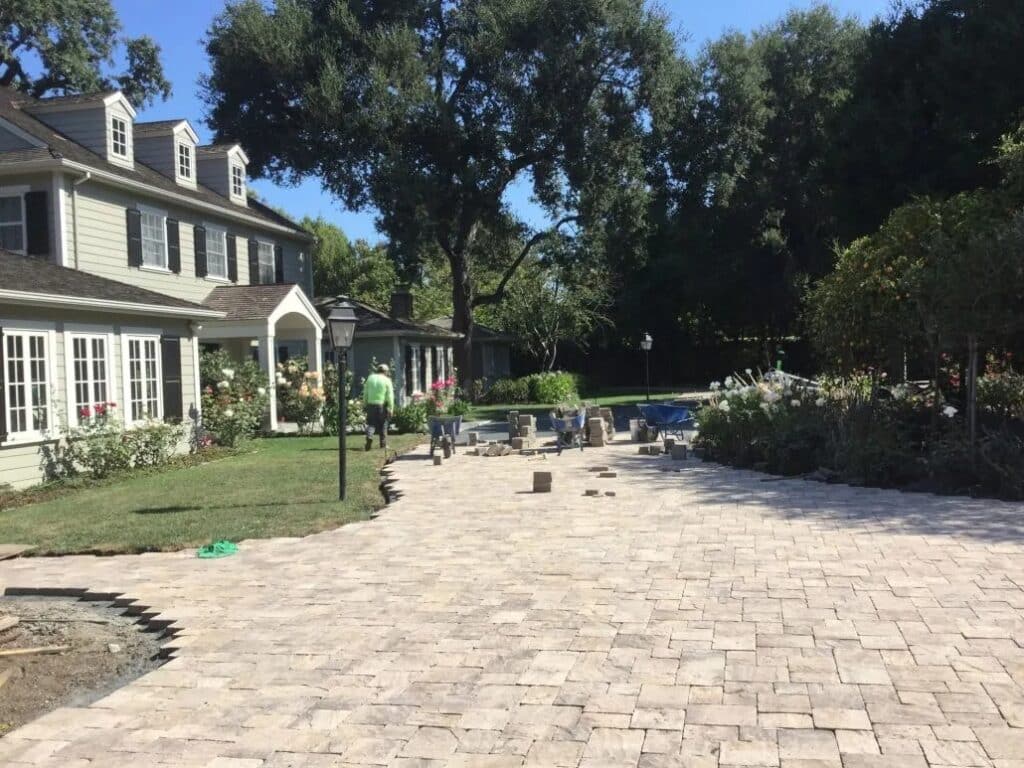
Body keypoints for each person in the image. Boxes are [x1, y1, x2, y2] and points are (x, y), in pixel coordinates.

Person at [363, 363, 394, 450]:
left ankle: (369, 436)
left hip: (370, 404)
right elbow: (390, 396)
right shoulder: (387, 380)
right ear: (386, 372)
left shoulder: (370, 378)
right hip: (381, 405)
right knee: (383, 424)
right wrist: (391, 408)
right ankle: (383, 444)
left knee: (371, 423)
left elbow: (365, 392)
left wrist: (365, 403)